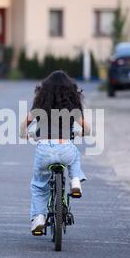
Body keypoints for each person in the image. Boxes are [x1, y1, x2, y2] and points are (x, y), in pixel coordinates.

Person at [20, 70, 91, 235]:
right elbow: (86, 128)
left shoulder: (40, 104)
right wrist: (81, 133)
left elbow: (25, 123)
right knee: (74, 154)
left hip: (44, 149)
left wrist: (23, 134)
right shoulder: (72, 106)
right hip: (65, 147)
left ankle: (38, 218)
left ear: (44, 90)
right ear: (70, 90)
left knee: (39, 185)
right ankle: (75, 180)